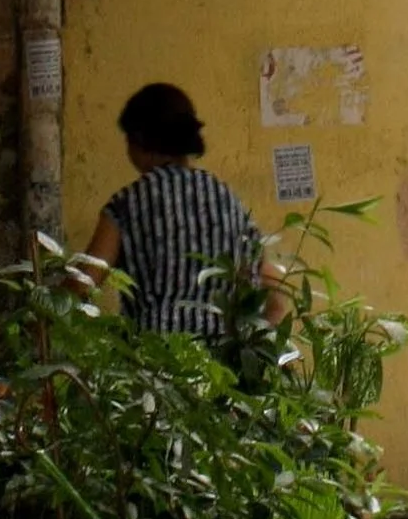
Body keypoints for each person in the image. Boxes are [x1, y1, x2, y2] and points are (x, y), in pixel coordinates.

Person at [86, 82, 284, 340]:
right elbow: (276, 293)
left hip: (152, 363)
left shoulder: (127, 204)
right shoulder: (229, 201)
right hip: (223, 369)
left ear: (141, 141)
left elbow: (84, 282)